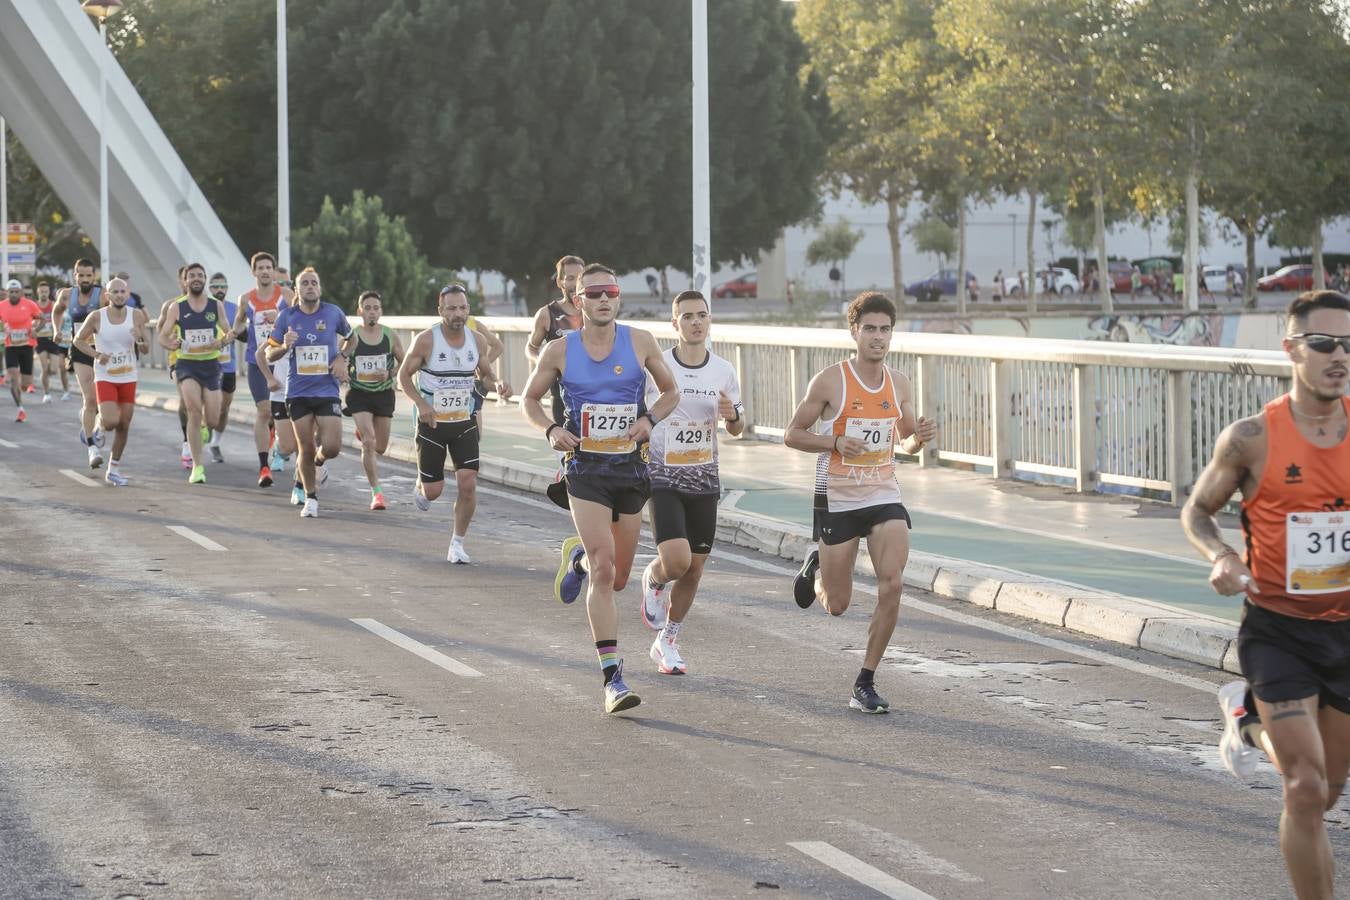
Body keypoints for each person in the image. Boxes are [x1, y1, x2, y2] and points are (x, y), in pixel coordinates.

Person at [1182, 290, 1350, 900]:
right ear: (1292, 349)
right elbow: (1198, 510)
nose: (1339, 356)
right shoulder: (1251, 438)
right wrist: (1224, 556)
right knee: (1303, 789)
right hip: (1277, 629)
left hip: (1345, 630)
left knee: (1328, 790)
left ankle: (1246, 720)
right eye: (1324, 343)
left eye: (1349, 345)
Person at [521, 263, 679, 715]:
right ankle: (612, 677)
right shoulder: (559, 350)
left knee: (621, 576)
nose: (603, 299)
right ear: (578, 302)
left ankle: (577, 558)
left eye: (610, 291)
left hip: (630, 469)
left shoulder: (641, 342)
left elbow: (670, 392)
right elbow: (529, 400)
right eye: (593, 294)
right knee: (605, 570)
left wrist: (649, 419)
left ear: (618, 298)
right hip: (585, 470)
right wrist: (551, 429)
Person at [784, 291, 938, 714]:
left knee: (893, 583)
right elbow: (792, 434)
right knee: (837, 605)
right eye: (869, 328)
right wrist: (833, 440)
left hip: (884, 492)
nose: (877, 337)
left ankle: (865, 681)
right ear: (854, 332)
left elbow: (904, 442)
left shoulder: (898, 382)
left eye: (884, 329)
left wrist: (917, 438)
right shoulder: (831, 381)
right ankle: (817, 565)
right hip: (838, 496)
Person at [638, 290, 745, 675]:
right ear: (675, 324)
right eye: (688, 316)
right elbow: (642, 413)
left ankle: (667, 640)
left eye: (702, 315)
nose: (696, 322)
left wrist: (733, 416)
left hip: (705, 477)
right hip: (664, 475)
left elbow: (737, 426)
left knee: (695, 569)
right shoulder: (658, 366)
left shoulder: (724, 370)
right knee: (677, 562)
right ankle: (653, 577)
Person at [398, 284, 502, 559]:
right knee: (433, 493)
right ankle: (422, 483)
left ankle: (457, 543)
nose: (458, 313)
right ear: (440, 310)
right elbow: (403, 376)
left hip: (464, 421)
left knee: (468, 483)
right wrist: (421, 404)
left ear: (468, 309)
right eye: (452, 308)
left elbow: (487, 376)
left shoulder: (477, 340)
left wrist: (499, 385)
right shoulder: (426, 340)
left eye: (463, 308)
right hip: (432, 423)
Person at [264, 267, 350, 518]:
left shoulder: (333, 313)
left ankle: (319, 463)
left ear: (319, 288)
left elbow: (351, 338)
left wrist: (342, 357)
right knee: (305, 446)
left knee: (332, 446)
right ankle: (310, 498)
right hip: (298, 392)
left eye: (314, 282)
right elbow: (269, 353)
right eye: (305, 283)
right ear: (298, 290)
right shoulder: (286, 317)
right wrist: (283, 346)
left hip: (327, 389)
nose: (310, 286)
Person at [71, 277, 150, 485]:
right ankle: (98, 427)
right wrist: (96, 354)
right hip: (106, 376)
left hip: (128, 376)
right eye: (114, 292)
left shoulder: (137, 316)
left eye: (123, 291)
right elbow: (78, 340)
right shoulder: (97, 317)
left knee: (124, 424)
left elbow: (145, 348)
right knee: (111, 421)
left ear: (128, 293)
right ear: (107, 295)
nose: (119, 295)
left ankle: (113, 469)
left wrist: (139, 339)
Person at [157, 263, 229, 485]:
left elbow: (229, 331)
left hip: (210, 366)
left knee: (214, 418)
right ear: (185, 281)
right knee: (193, 410)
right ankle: (198, 467)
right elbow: (162, 335)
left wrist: (222, 340)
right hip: (186, 365)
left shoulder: (216, 306)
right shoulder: (176, 307)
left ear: (204, 279)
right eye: (192, 276)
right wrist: (171, 344)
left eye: (200, 275)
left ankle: (206, 428)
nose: (196, 278)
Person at [228, 252, 290, 487]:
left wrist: (281, 317)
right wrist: (232, 334)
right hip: (257, 363)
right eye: (260, 268)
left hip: (283, 362)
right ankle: (264, 467)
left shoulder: (286, 295)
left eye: (268, 267)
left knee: (284, 413)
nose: (265, 271)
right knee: (264, 411)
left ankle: (280, 445)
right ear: (253, 272)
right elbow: (238, 324)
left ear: (274, 271)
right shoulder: (245, 299)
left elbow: (299, 319)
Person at [343, 290, 405, 510]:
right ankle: (377, 493)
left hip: (383, 394)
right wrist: (344, 373)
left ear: (381, 311)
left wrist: (390, 373)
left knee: (380, 447)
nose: (372, 312)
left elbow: (405, 363)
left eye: (375, 308)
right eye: (367, 308)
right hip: (359, 394)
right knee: (369, 443)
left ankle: (364, 432)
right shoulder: (352, 336)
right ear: (360, 311)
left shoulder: (389, 335)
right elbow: (341, 361)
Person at [53, 259, 106, 460]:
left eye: (88, 275)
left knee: (103, 401)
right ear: (75, 275)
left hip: (101, 351)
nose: (84, 279)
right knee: (90, 398)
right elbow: (56, 311)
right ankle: (92, 448)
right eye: (80, 275)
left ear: (94, 276)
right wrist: (57, 330)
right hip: (79, 350)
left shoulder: (103, 296)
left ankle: (97, 424)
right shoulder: (67, 295)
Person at [527, 255, 585, 429]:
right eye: (570, 278)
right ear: (560, 282)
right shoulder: (547, 314)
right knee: (566, 449)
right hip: (562, 394)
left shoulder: (594, 311)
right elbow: (531, 347)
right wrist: (543, 363)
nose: (575, 283)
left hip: (595, 392)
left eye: (580, 278)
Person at [158, 265, 194, 468]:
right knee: (186, 400)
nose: (189, 281)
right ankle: (187, 442)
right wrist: (169, 337)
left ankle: (197, 433)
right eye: (185, 278)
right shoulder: (171, 305)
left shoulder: (207, 305)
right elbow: (160, 331)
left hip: (203, 358)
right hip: (178, 359)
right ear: (181, 281)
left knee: (203, 403)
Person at [1, 279, 42, 423]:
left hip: (27, 346)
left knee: (25, 384)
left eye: (16, 292)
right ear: (7, 293)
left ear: (20, 292)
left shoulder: (29, 304)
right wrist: (2, 329)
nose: (13, 294)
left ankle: (21, 388)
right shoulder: (2, 306)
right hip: (10, 346)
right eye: (11, 292)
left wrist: (35, 330)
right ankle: (20, 409)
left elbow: (41, 319)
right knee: (13, 378)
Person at [207, 272, 237, 463]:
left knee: (224, 409)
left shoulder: (234, 309)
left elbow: (242, 332)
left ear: (227, 289)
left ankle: (215, 443)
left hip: (228, 365)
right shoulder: (203, 307)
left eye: (222, 287)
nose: (219, 290)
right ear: (210, 289)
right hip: (207, 365)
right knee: (208, 407)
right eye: (216, 287)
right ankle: (200, 438)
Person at [31, 281, 66, 402]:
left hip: (52, 339)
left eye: (46, 292)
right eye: (41, 292)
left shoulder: (53, 305)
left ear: (49, 292)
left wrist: (59, 330)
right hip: (39, 339)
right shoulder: (34, 306)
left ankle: (45, 378)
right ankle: (46, 393)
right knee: (44, 368)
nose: (44, 294)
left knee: (54, 369)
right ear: (38, 292)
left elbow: (59, 317)